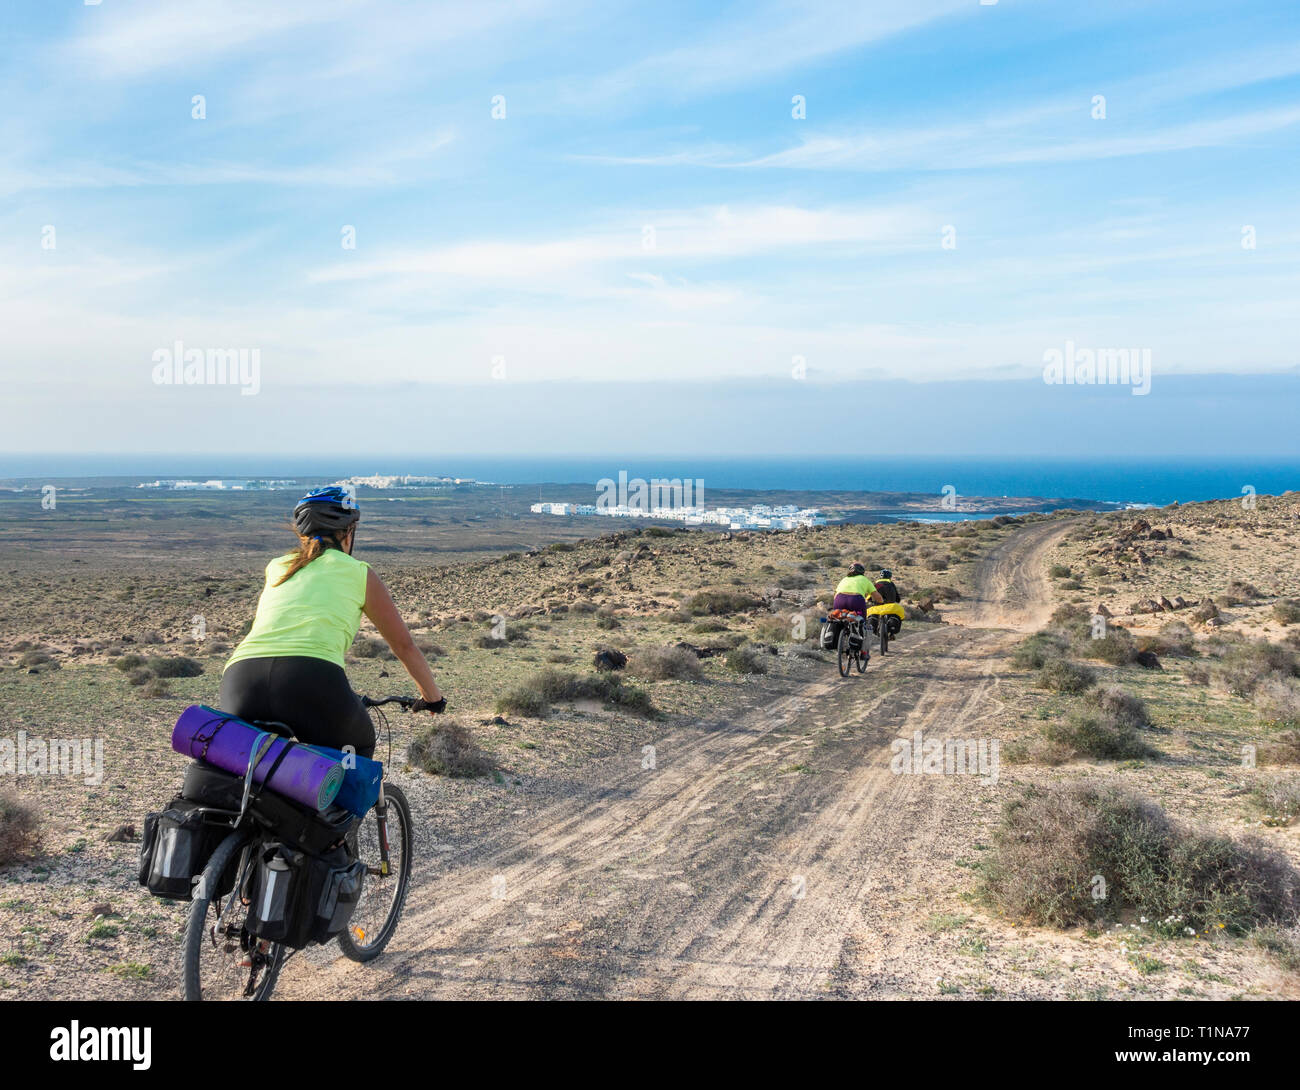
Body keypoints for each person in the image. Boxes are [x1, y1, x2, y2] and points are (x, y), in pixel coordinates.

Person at [218, 486, 445, 759]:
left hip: (240, 680)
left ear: (302, 533)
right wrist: (433, 698)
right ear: (348, 533)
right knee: (355, 751)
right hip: (310, 678)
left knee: (240, 764)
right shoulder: (359, 573)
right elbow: (404, 646)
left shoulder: (277, 567)